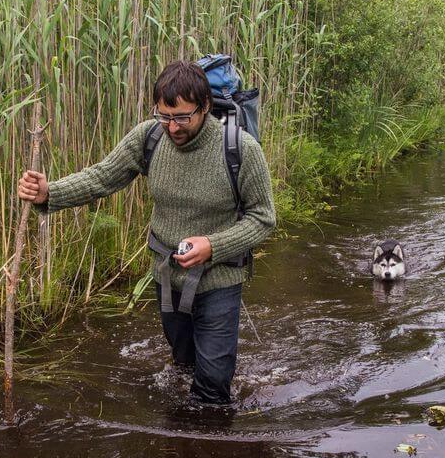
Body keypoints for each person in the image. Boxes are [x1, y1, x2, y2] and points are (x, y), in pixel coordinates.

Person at [16, 60, 276, 405]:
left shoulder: (240, 149)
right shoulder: (149, 137)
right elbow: (101, 177)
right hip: (168, 276)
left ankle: (210, 448)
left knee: (212, 387)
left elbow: (263, 217)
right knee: (183, 366)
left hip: (220, 279)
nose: (172, 127)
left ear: (206, 107)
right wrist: (51, 194)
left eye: (182, 117)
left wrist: (213, 245)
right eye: (164, 116)